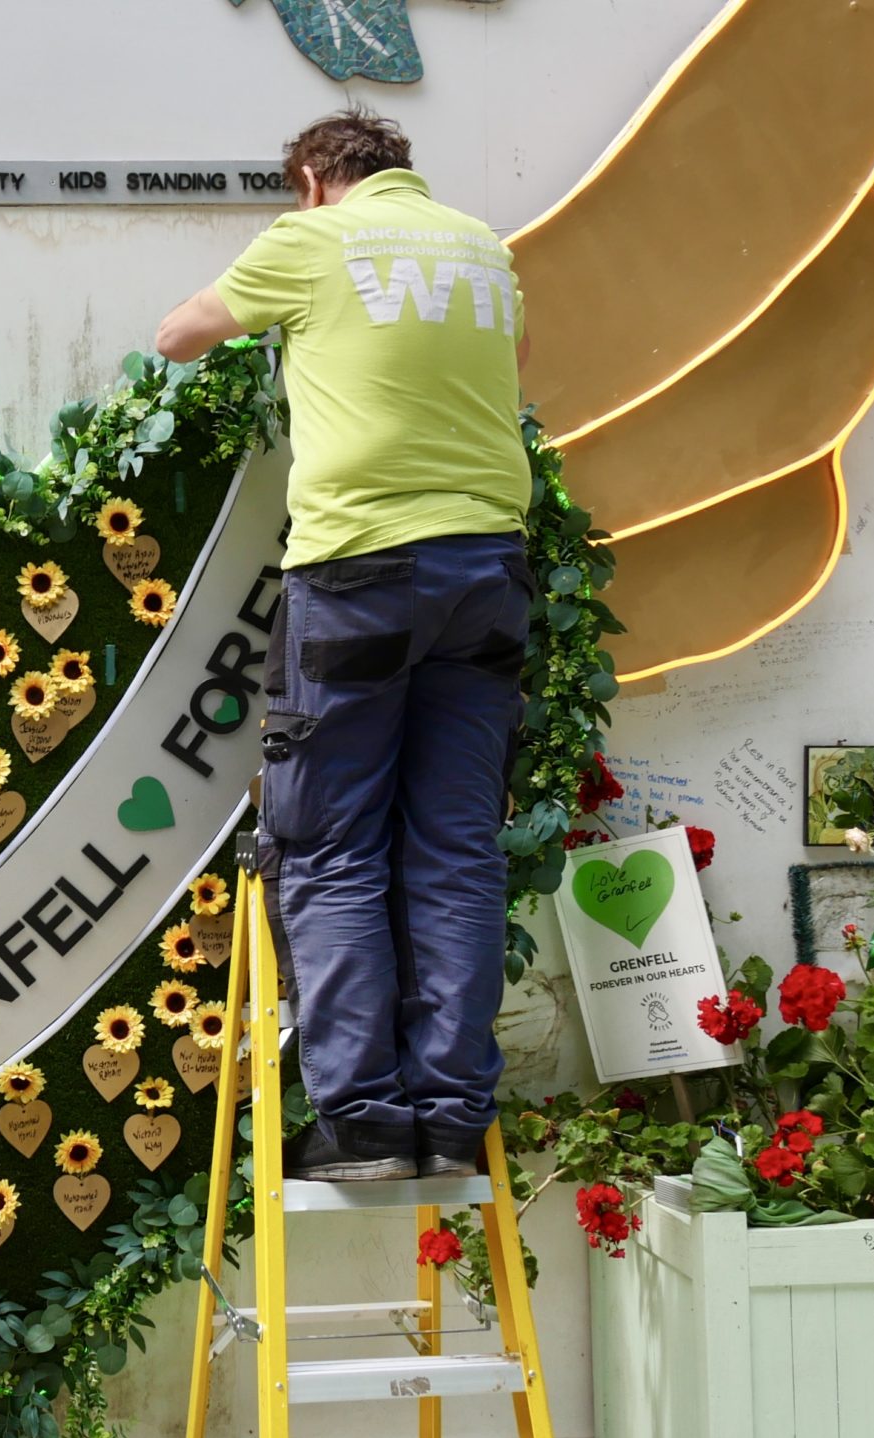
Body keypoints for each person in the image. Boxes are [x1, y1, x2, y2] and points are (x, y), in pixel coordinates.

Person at [153, 107, 534, 1183]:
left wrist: (286, 300)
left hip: (363, 571)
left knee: (328, 846)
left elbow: (176, 335)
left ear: (315, 179)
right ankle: (454, 1114)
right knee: (456, 846)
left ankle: (362, 1116)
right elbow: (508, 365)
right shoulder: (486, 250)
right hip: (490, 571)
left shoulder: (311, 238)